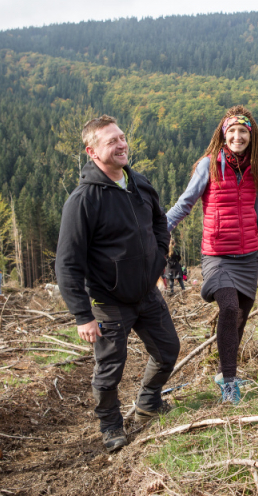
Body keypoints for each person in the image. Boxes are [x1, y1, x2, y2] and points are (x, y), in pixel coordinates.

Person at [55, 114, 180, 453]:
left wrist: (159, 258)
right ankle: (110, 425)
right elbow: (67, 263)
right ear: (92, 151)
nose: (122, 144)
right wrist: (82, 315)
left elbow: (159, 220)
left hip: (146, 293)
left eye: (122, 137)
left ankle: (149, 402)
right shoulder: (84, 200)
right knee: (110, 369)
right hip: (108, 300)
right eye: (112, 141)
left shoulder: (138, 182)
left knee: (168, 351)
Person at [167, 106, 258, 404]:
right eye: (232, 131)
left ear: (251, 136)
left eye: (243, 131)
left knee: (240, 320)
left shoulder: (256, 168)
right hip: (218, 255)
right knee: (229, 308)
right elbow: (185, 203)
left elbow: (254, 212)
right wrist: (158, 229)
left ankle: (225, 373)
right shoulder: (209, 165)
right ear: (224, 135)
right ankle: (230, 385)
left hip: (248, 256)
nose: (238, 136)